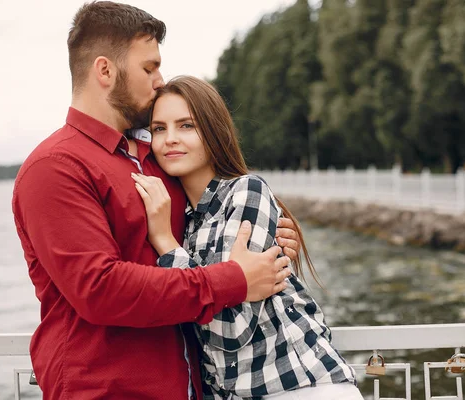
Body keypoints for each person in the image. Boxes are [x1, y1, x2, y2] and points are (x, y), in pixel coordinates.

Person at [11, 3, 300, 399]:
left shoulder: (157, 157)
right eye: (149, 68)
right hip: (105, 390)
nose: (160, 80)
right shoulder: (55, 167)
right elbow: (101, 288)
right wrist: (233, 280)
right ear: (105, 71)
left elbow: (212, 222)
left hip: (191, 387)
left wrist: (275, 246)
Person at [132, 75, 363, 399]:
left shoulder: (246, 192)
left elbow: (231, 330)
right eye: (159, 128)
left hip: (299, 387)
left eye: (186, 126)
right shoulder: (184, 218)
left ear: (213, 130)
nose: (170, 139)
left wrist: (166, 244)